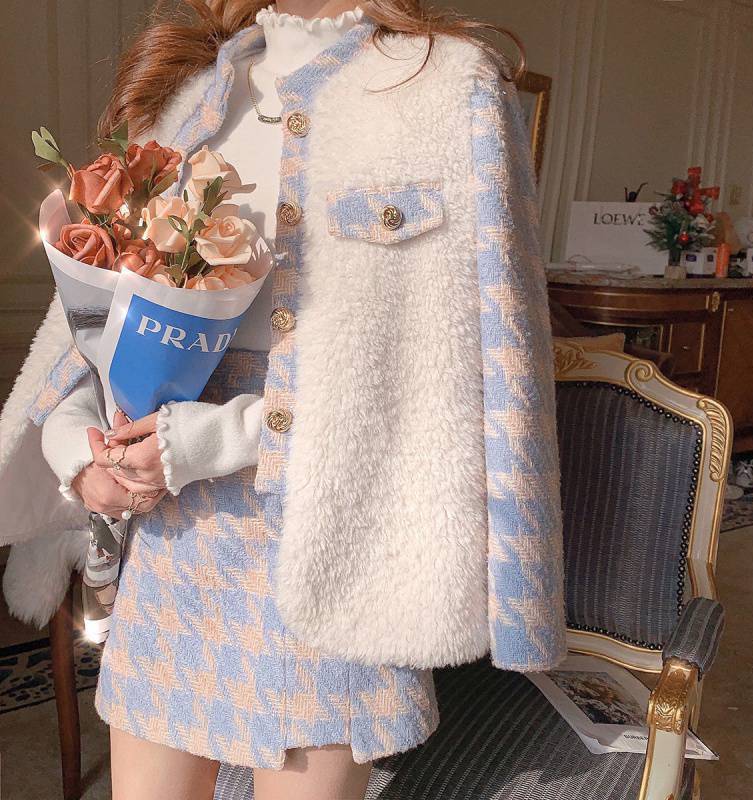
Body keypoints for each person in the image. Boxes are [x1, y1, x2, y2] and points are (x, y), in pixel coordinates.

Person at [0, 1, 567, 797]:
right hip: (174, 550)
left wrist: (210, 440)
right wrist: (79, 454)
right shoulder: (185, 94)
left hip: (335, 546)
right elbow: (88, 339)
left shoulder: (448, 89)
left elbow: (482, 360)